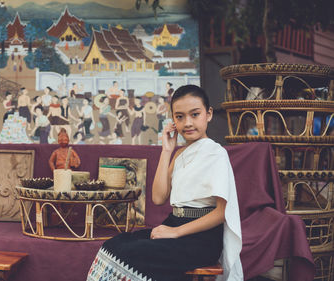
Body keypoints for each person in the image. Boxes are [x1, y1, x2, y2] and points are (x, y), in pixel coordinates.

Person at [87, 85, 243, 281]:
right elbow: (158, 197)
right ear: (173, 119)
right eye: (179, 117)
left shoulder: (216, 154)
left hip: (201, 238)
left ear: (208, 114)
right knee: (114, 245)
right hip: (174, 223)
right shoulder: (178, 154)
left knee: (134, 253)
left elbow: (221, 213)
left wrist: (176, 232)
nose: (187, 123)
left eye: (195, 115)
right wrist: (167, 151)